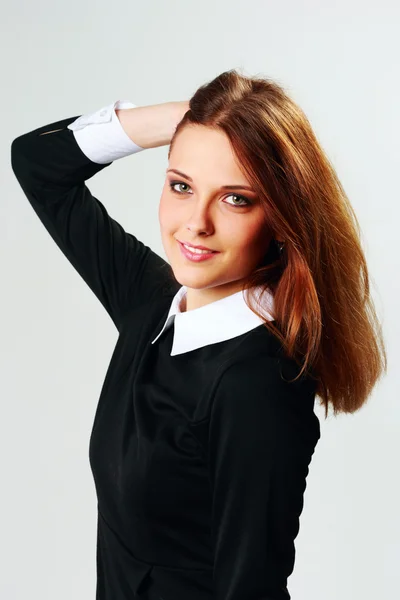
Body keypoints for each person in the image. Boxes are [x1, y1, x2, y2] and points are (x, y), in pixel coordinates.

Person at [10, 69, 387, 600]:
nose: (195, 224)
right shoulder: (152, 304)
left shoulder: (255, 383)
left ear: (281, 218)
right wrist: (193, 119)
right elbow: (37, 162)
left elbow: (249, 585)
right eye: (181, 185)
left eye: (236, 199)